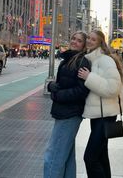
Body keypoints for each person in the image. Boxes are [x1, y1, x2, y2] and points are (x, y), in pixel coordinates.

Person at [44, 31, 91, 178]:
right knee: (67, 156)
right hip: (65, 112)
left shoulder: (81, 61)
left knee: (53, 156)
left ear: (84, 45)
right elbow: (62, 84)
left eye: (79, 41)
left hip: (69, 113)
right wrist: (52, 86)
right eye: (73, 39)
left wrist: (58, 95)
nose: (74, 42)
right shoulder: (69, 58)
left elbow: (82, 90)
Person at [78, 29, 123, 178]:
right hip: (98, 114)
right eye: (88, 38)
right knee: (101, 155)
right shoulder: (91, 59)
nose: (89, 41)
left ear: (100, 42)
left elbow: (113, 88)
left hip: (106, 115)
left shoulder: (105, 60)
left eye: (93, 39)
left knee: (90, 157)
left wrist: (89, 77)